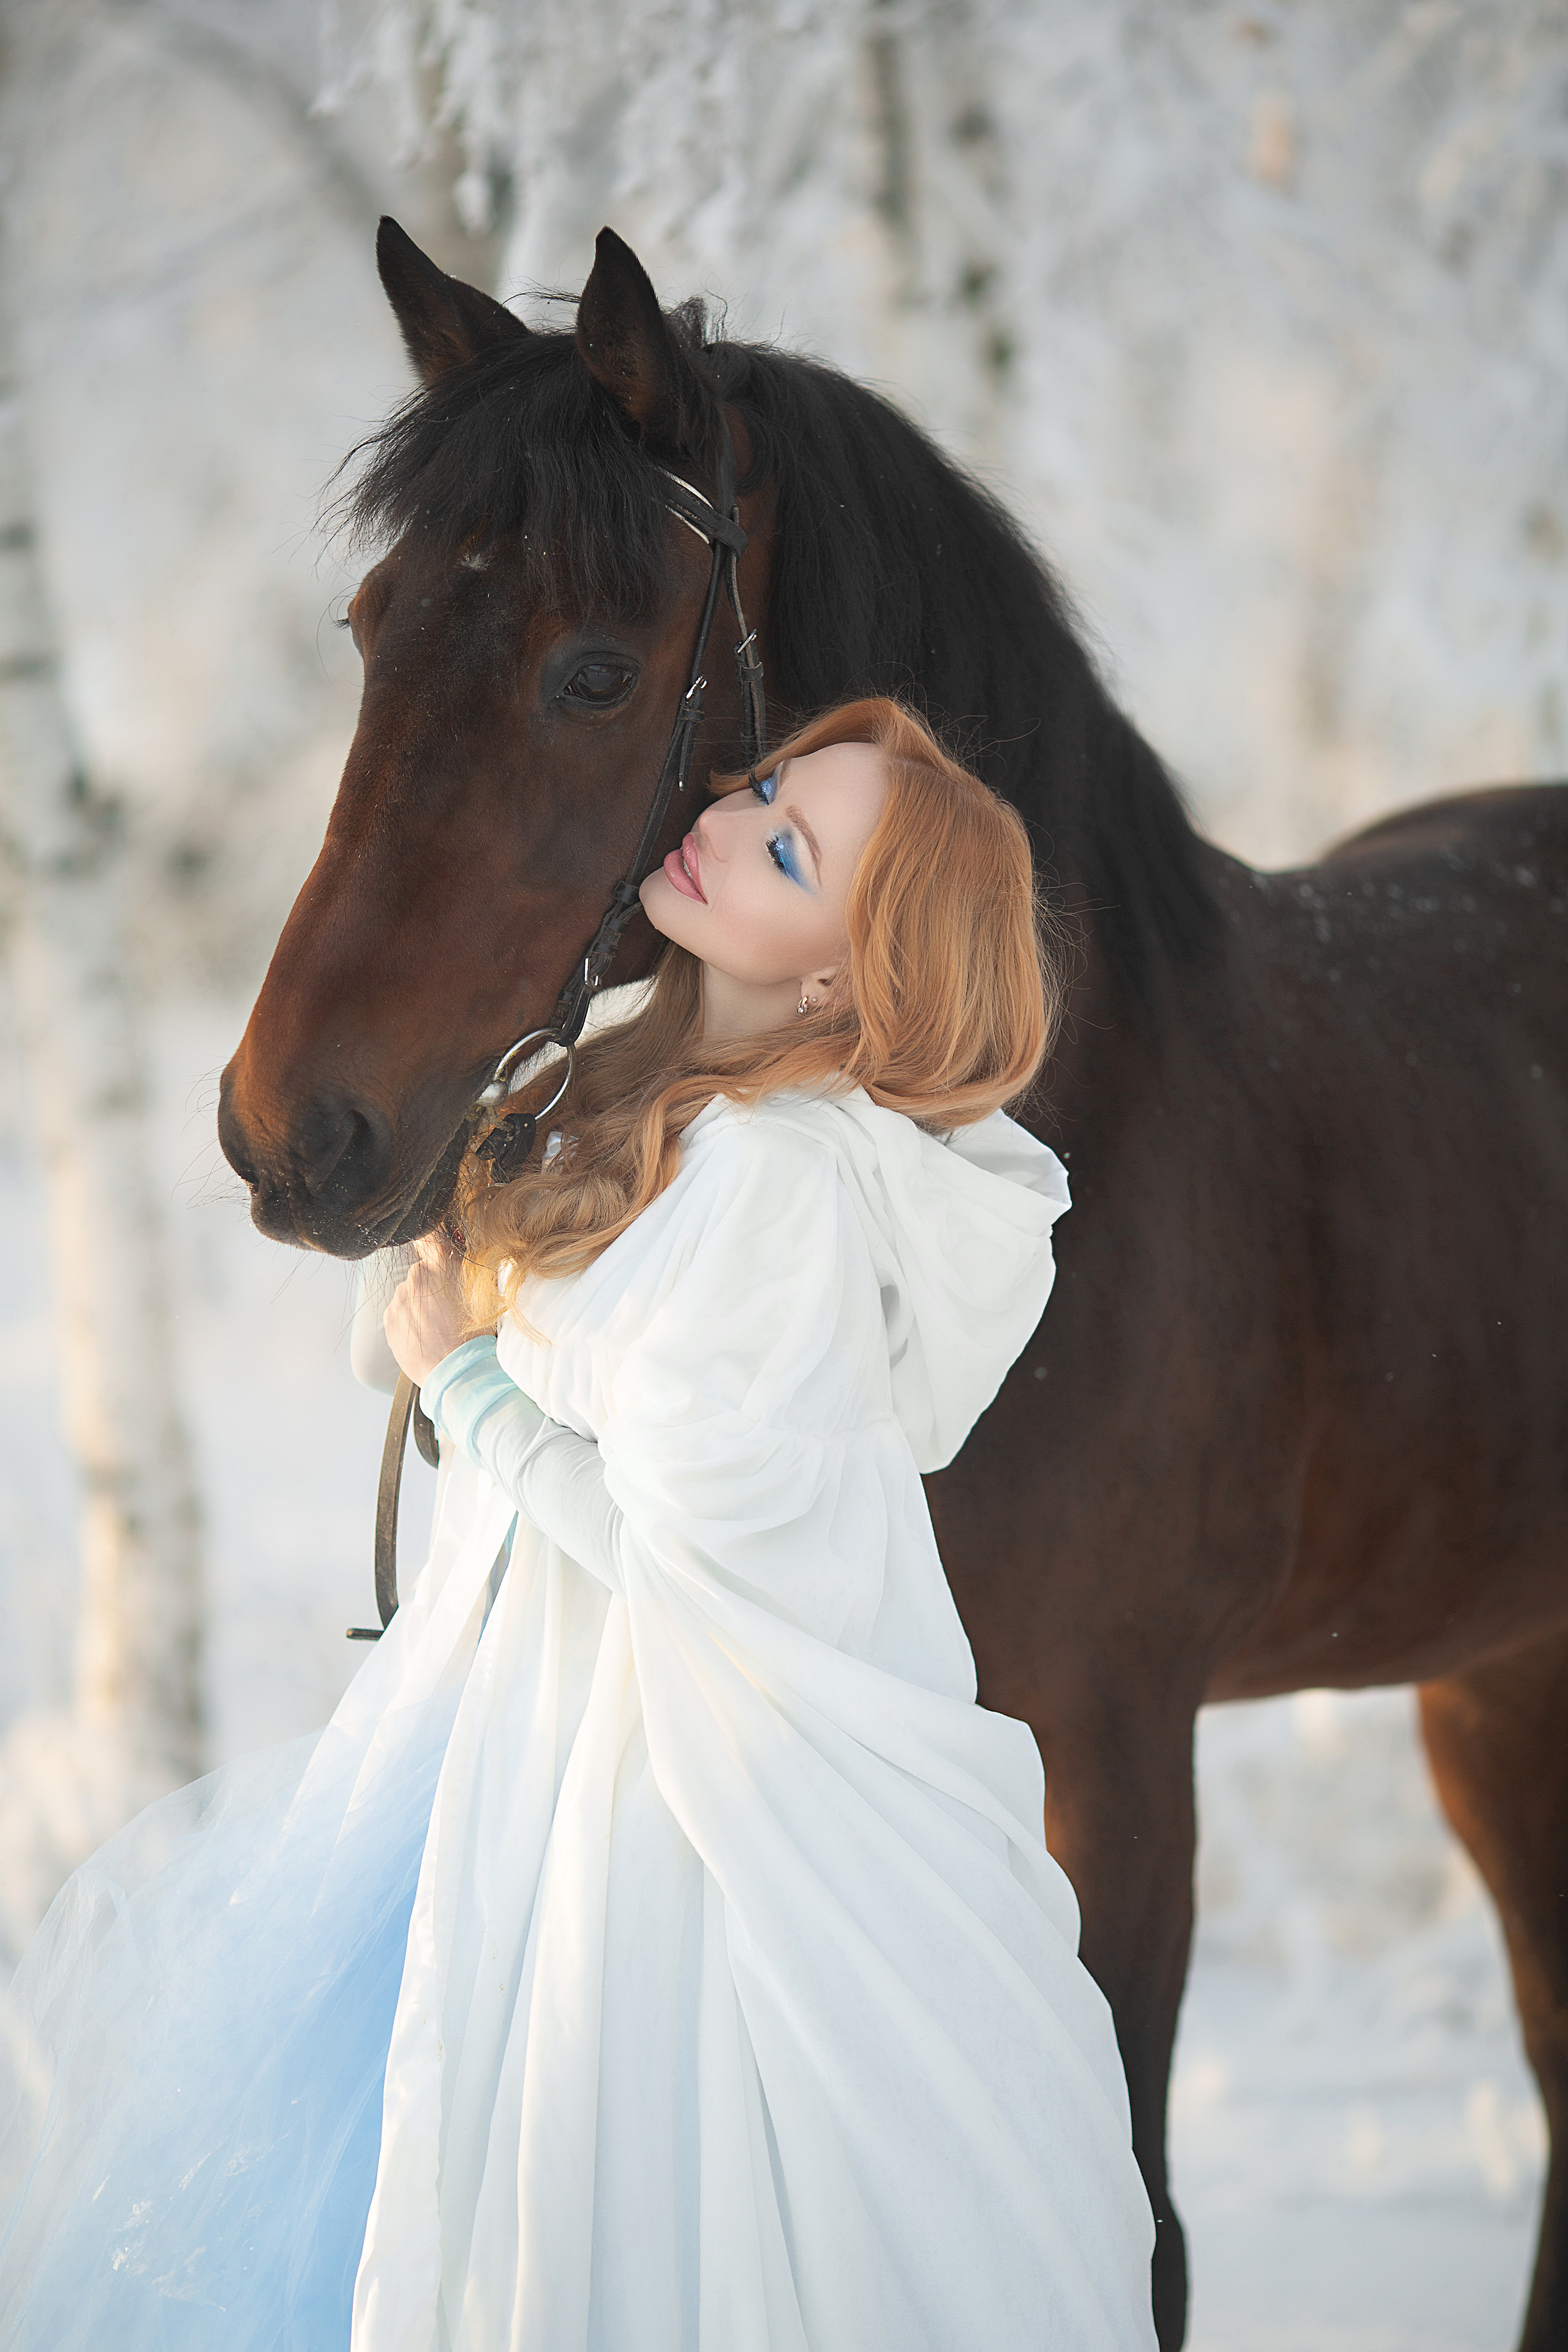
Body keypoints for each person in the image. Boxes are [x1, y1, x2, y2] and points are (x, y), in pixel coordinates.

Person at [0, 696, 1156, 2350]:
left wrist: (474, 1389)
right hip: (509, 1717)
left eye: (784, 847)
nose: (730, 812)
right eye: (764, 783)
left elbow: (698, 1569)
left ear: (842, 971)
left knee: (609, 2184)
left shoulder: (775, 1190)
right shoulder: (622, 1060)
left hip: (665, 1779)